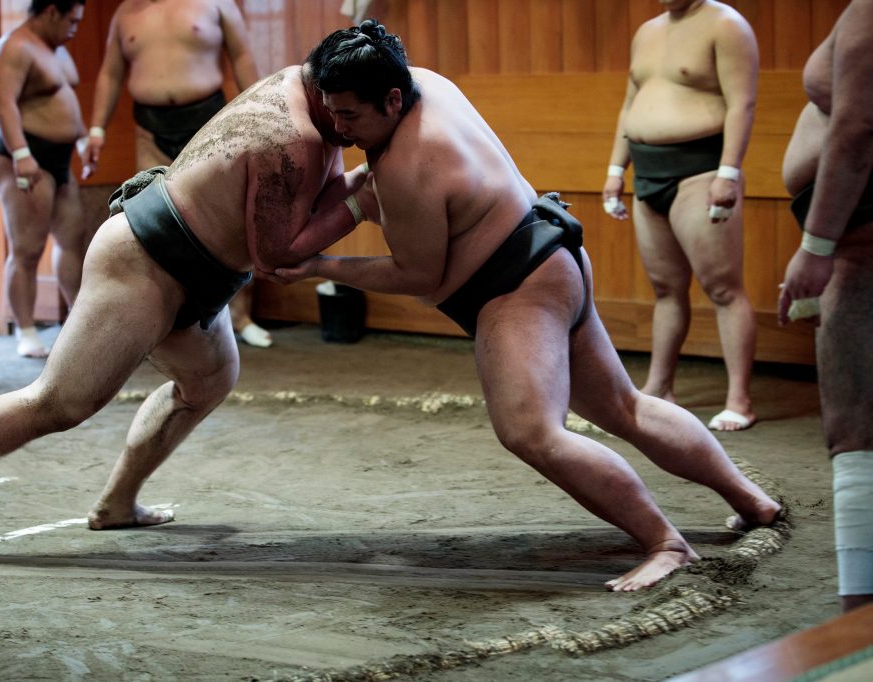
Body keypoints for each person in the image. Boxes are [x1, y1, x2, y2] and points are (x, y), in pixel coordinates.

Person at [265, 20, 781, 591]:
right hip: (551, 251)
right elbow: (371, 182)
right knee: (623, 406)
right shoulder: (424, 83)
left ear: (390, 99)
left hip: (517, 289)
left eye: (350, 116)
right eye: (331, 112)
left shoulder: (410, 167)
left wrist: (320, 267)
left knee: (531, 433)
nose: (338, 128)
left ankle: (665, 543)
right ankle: (751, 501)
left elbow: (419, 274)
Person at [0, 60, 368, 560]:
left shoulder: (311, 94)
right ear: (331, 95)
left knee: (209, 381)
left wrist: (356, 181)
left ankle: (117, 503)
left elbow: (316, 190)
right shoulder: (289, 133)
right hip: (147, 258)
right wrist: (360, 205)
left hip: (203, 272)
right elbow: (275, 257)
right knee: (60, 402)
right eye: (347, 115)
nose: (348, 128)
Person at [601, 0, 759, 431]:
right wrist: (617, 169)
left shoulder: (725, 25)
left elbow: (741, 103)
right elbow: (630, 103)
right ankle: (659, 386)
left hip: (701, 169)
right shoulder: (647, 31)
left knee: (723, 287)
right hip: (647, 170)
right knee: (665, 287)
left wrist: (728, 172)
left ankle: (739, 399)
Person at [86, 0, 272, 348]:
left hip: (208, 122)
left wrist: (261, 119)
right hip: (150, 129)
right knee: (147, 225)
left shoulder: (216, 4)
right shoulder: (126, 12)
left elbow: (243, 57)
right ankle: (156, 319)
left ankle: (241, 317)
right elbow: (110, 73)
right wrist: (97, 129)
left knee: (228, 223)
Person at [779, 0, 873, 612]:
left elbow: (859, 128)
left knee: (857, 427)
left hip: (856, 243)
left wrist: (816, 247)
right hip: (858, 244)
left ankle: (858, 609)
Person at [0, 0, 92, 358]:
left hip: (59, 158)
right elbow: (3, 103)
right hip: (25, 156)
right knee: (28, 247)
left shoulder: (56, 49)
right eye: (72, 21)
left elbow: (66, 98)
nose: (75, 28)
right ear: (51, 12)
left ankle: (78, 322)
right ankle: (27, 331)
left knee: (71, 237)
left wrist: (81, 140)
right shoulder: (15, 46)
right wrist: (21, 156)